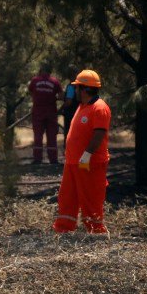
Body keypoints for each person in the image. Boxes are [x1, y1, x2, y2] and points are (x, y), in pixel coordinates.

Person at [53, 70, 111, 235]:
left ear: (84, 89)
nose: (75, 91)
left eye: (77, 87)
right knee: (67, 197)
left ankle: (95, 231)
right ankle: (63, 229)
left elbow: (99, 133)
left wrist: (87, 155)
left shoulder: (99, 108)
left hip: (89, 162)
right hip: (73, 162)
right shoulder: (82, 106)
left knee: (90, 197)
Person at [27, 63, 62, 164]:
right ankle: (53, 159)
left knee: (38, 136)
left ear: (41, 70)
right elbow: (61, 96)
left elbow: (30, 92)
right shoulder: (55, 81)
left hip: (38, 112)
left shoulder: (35, 80)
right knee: (52, 136)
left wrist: (38, 97)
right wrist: (52, 98)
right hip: (51, 112)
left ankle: (37, 159)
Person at [59, 69, 79, 149]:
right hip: (79, 113)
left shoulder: (71, 86)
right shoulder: (80, 86)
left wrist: (60, 110)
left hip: (70, 114)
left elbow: (69, 102)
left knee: (69, 133)